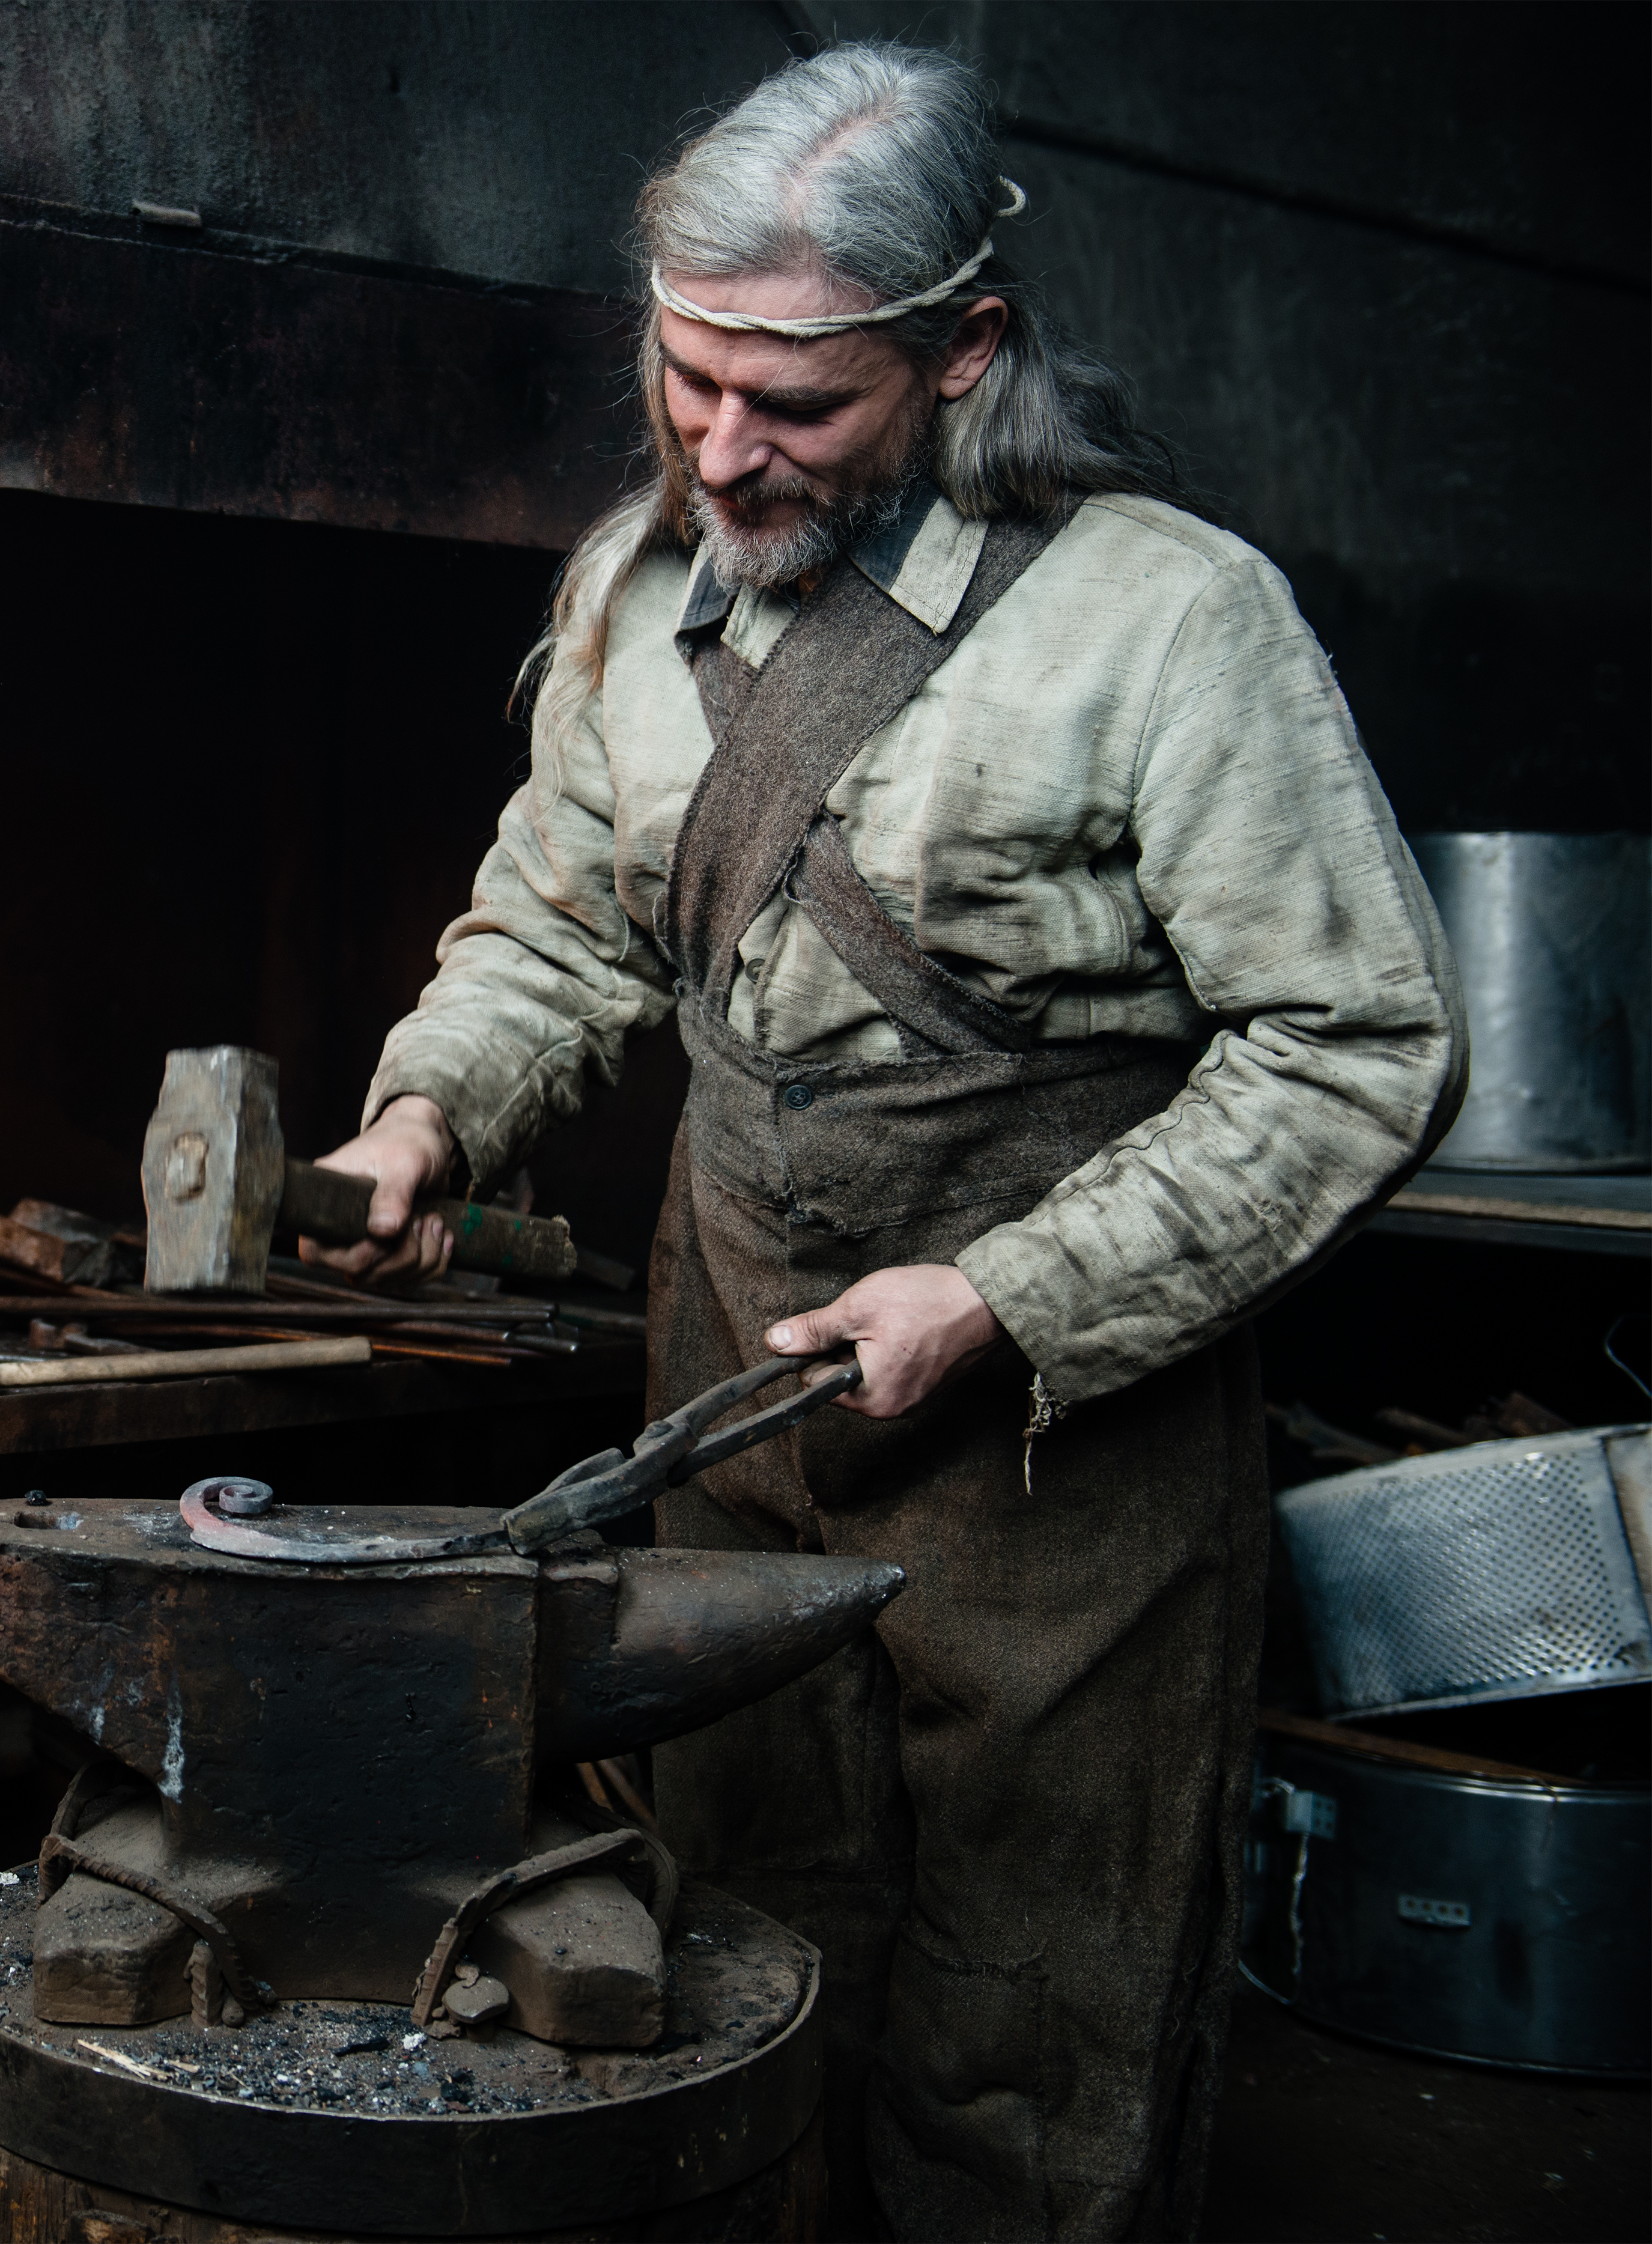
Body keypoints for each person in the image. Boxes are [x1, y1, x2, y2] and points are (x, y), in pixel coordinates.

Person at [304, 43, 1463, 2244]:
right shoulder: (638, 602)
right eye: (688, 380)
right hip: (730, 1375)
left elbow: (1355, 1044)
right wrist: (429, 1111)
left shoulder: (1169, 623)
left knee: (1033, 2022)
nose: (723, 450)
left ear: (963, 354)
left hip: (1059, 1446)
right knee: (730, 1947)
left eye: (796, 405)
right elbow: (559, 915)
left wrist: (1014, 1297)